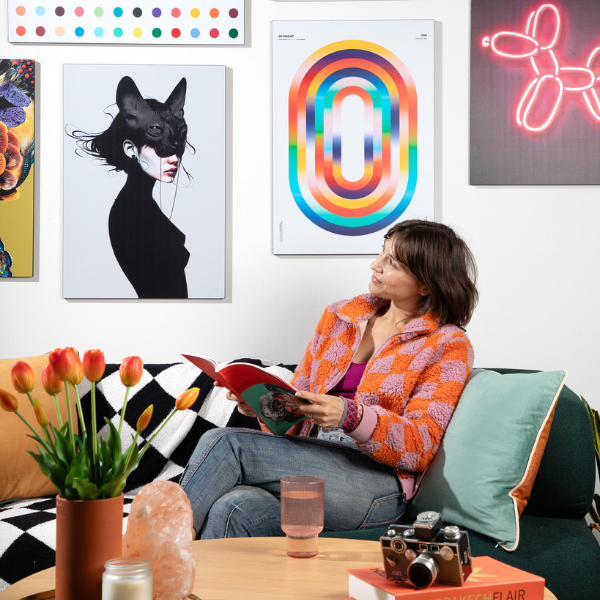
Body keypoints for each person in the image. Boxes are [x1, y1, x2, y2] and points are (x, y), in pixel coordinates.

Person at [180, 219, 478, 539]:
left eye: (392, 262)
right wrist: (265, 405)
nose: (374, 265)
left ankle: (152, 556)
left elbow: (421, 445)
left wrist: (352, 416)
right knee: (234, 506)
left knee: (224, 441)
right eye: (382, 252)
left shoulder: (447, 345)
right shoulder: (339, 317)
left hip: (377, 489)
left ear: (426, 284)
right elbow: (300, 412)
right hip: (314, 466)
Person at [71, 76, 191, 299]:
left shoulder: (137, 206)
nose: (174, 158)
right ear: (130, 149)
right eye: (159, 147)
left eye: (177, 149)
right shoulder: (130, 213)